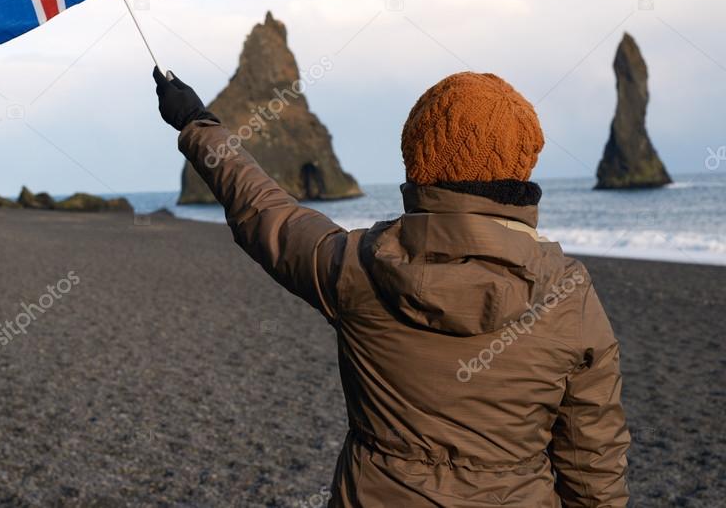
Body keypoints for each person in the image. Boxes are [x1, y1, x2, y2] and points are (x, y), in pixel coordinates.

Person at [153, 68, 630, 507]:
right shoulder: (569, 293)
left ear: (417, 159)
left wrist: (197, 124)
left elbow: (267, 214)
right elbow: (593, 462)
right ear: (522, 167)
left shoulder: (357, 267)